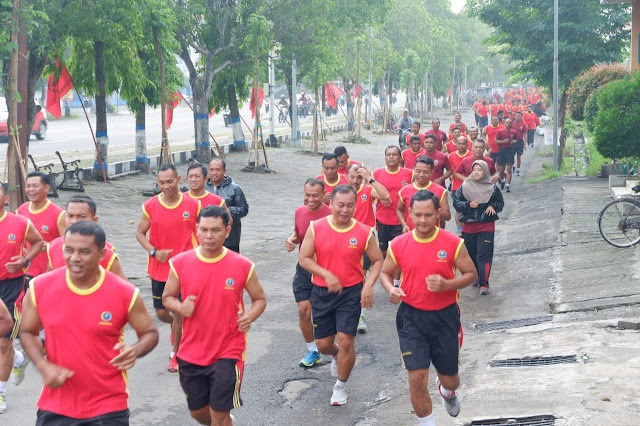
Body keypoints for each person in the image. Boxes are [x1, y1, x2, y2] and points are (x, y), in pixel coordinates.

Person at [20, 221, 159, 425]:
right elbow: (27, 332)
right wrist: (43, 366)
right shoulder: (40, 287)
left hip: (109, 405)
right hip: (56, 404)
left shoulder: (125, 293)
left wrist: (135, 350)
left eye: (84, 251)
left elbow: (150, 333)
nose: (74, 258)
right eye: (69, 250)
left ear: (102, 255)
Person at [380, 190, 477, 425]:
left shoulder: (453, 242)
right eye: (417, 215)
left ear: (438, 214)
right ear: (410, 215)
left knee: (451, 379)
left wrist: (447, 284)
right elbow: (385, 272)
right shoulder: (399, 244)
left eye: (428, 215)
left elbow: (472, 274)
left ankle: (447, 391)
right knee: (416, 380)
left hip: (445, 317)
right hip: (411, 318)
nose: (423, 220)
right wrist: (391, 289)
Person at [163, 206, 266, 426]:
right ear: (196, 230)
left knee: (219, 413)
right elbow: (167, 297)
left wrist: (250, 316)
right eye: (205, 229)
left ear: (227, 231)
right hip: (191, 351)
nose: (210, 236)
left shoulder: (242, 265)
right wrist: (180, 308)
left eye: (216, 230)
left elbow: (260, 299)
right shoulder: (180, 262)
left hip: (229, 349)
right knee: (199, 413)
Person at [299, 185, 383, 406]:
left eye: (350, 205)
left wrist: (368, 285)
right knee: (324, 344)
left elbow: (377, 260)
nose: (345, 210)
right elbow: (304, 259)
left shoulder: (364, 232)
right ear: (331, 205)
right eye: (340, 205)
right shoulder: (316, 227)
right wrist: (326, 274)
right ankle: (335, 355)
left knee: (347, 341)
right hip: (322, 291)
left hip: (351, 292)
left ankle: (340, 386)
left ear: (356, 206)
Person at [136, 164, 200, 372]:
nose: (166, 186)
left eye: (170, 181)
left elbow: (202, 234)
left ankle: (176, 355)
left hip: (185, 270)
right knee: (163, 314)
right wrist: (154, 251)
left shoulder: (192, 206)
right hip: (159, 269)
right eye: (162, 182)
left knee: (178, 313)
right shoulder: (150, 206)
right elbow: (139, 234)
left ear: (179, 179)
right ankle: (183, 327)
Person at [0, 182, 44, 412]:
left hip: (10, 286)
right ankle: (18, 359)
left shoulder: (20, 223)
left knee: (3, 342)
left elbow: (39, 242)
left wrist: (25, 260)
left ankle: (0, 392)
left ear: (6, 199)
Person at [285, 179, 331, 368]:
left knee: (325, 314)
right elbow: (298, 235)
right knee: (304, 310)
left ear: (324, 195)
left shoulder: (331, 214)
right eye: (307, 195)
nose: (310, 199)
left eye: (315, 196)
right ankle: (313, 351)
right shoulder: (299, 212)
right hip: (304, 269)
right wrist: (290, 240)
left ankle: (332, 349)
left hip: (326, 270)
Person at [346, 163, 390, 332]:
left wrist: (370, 179)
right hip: (344, 240)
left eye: (359, 176)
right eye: (352, 176)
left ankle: (360, 314)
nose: (356, 180)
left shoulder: (366, 190)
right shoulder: (341, 193)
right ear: (346, 176)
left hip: (365, 241)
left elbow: (385, 194)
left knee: (361, 276)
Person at [452, 160, 504, 296]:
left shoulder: (492, 188)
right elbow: (456, 203)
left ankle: (484, 284)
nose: (476, 172)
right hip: (469, 226)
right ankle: (475, 276)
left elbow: (500, 203)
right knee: (471, 254)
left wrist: (493, 207)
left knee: (484, 255)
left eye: (479, 170)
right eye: (474, 169)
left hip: (486, 225)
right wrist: (469, 205)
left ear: (485, 171)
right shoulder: (464, 187)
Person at [47, 195, 126, 280]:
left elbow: (124, 290)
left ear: (94, 220)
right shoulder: (54, 247)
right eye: (70, 216)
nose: (74, 221)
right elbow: (49, 283)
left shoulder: (105, 254)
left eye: (81, 216)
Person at [16, 171, 66, 281]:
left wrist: (50, 247)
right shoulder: (20, 211)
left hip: (48, 275)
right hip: (23, 272)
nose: (31, 189)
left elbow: (67, 246)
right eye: (28, 186)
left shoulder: (59, 215)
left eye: (35, 186)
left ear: (46, 188)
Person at [372, 146, 413, 260]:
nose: (391, 157)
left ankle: (396, 276)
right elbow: (368, 190)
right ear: (385, 157)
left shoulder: (409, 174)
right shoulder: (376, 174)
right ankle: (384, 270)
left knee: (398, 249)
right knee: (383, 249)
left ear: (400, 157)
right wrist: (380, 197)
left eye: (394, 154)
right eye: (388, 155)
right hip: (383, 219)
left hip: (401, 220)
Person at [206, 158, 249, 253]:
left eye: (218, 170)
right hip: (207, 238)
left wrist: (227, 210)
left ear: (224, 171)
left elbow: (244, 209)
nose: (214, 173)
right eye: (211, 170)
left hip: (230, 238)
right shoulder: (203, 188)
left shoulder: (234, 189)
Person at [397, 156, 450, 233]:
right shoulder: (404, 190)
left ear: (432, 172)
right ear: (414, 170)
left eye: (425, 172)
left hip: (432, 234)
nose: (421, 175)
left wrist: (431, 212)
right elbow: (399, 210)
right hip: (411, 234)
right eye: (418, 171)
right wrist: (404, 224)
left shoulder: (440, 191)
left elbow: (447, 216)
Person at [448, 137, 474, 235]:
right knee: (458, 209)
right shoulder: (451, 156)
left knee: (470, 208)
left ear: (467, 144)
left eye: (463, 144)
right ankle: (459, 229)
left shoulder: (472, 155)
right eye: (459, 144)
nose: (461, 146)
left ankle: (468, 228)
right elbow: (449, 170)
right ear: (456, 144)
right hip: (456, 187)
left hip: (471, 187)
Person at [495, 118, 518, 193]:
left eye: (510, 123)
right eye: (507, 123)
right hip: (502, 151)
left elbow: (515, 139)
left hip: (510, 151)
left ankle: (507, 186)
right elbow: (496, 141)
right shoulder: (500, 131)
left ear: (512, 124)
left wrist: (514, 141)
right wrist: (502, 141)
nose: (508, 124)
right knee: (501, 170)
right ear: (504, 123)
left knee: (509, 168)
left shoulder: (514, 132)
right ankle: (503, 180)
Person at [511, 112, 529, 176]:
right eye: (517, 116)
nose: (518, 117)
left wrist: (525, 144)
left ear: (521, 117)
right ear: (515, 116)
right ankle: (513, 165)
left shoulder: (523, 125)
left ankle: (518, 170)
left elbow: (525, 134)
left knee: (519, 156)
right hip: (513, 142)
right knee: (511, 155)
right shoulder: (511, 124)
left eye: (519, 116)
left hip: (520, 142)